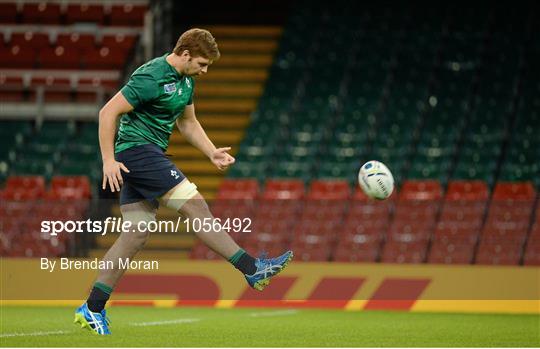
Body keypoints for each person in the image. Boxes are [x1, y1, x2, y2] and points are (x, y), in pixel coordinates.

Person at [74, 28, 293, 335]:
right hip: (137, 151)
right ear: (186, 54)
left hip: (145, 154)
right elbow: (108, 112)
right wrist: (108, 160)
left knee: (135, 235)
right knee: (195, 206)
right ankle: (252, 268)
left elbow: (188, 123)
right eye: (202, 64)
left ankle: (92, 308)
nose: (204, 71)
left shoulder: (186, 81)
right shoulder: (151, 76)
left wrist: (211, 152)